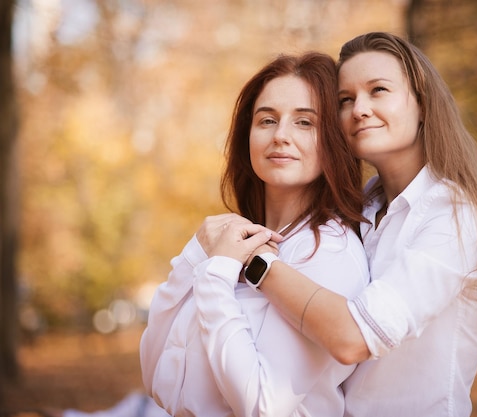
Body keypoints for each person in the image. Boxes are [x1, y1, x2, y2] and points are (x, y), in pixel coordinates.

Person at [201, 32, 477, 417]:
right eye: (345, 100)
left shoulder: (453, 215)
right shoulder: (362, 205)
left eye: (378, 90)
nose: (359, 110)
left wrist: (256, 261)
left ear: (423, 104)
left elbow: (354, 338)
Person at [139, 51, 369, 417]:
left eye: (305, 123)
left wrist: (215, 278)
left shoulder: (328, 251)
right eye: (267, 120)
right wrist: (194, 257)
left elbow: (265, 405)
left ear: (332, 141)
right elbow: (155, 376)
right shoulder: (233, 240)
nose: (280, 136)